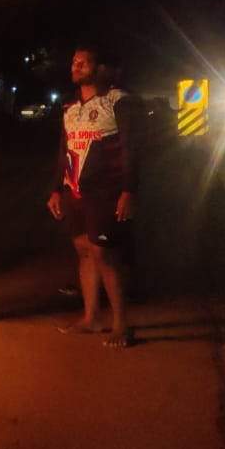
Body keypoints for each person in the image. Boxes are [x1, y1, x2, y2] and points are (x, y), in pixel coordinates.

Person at [47, 46, 138, 348]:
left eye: (84, 61)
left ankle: (121, 325)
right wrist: (55, 189)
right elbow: (64, 149)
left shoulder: (117, 101)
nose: (77, 65)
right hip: (74, 191)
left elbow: (130, 149)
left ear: (99, 68)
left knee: (104, 254)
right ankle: (91, 317)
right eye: (74, 61)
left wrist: (129, 189)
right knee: (84, 250)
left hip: (105, 190)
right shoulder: (69, 107)